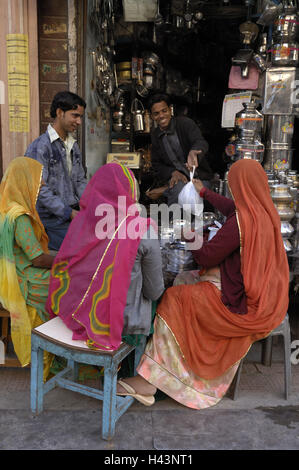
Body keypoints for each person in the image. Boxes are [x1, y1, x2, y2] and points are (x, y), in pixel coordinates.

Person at [117, 159, 289, 408]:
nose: (231, 192)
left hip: (244, 305)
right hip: (269, 298)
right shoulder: (264, 211)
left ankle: (152, 380)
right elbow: (232, 209)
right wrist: (204, 192)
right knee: (185, 280)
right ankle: (170, 366)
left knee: (174, 299)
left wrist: (192, 238)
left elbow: (207, 256)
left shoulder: (241, 223)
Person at [46, 162, 164, 402]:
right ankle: (141, 376)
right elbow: (153, 291)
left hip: (78, 313)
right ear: (131, 193)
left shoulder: (82, 226)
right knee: (164, 302)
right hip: (124, 323)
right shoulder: (143, 231)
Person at [0, 157, 55, 378]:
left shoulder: (5, 207)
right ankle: (54, 347)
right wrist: (69, 261)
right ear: (24, 183)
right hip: (22, 278)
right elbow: (37, 259)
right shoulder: (19, 216)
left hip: (10, 273)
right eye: (36, 183)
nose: (39, 189)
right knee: (67, 283)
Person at [25, 91, 87, 251]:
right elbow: (39, 189)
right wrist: (68, 213)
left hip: (71, 214)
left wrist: (91, 204)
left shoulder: (73, 145)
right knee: (84, 248)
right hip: (51, 220)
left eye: (80, 116)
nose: (79, 121)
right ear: (60, 112)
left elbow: (80, 180)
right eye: (75, 116)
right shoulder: (40, 147)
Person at [146, 93, 213, 205]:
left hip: (199, 178)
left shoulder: (184, 123)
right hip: (179, 180)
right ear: (152, 116)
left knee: (192, 195)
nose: (161, 116)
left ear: (170, 110)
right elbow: (156, 164)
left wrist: (193, 152)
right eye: (156, 114)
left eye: (164, 111)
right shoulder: (155, 135)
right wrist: (173, 172)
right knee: (177, 191)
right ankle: (174, 221)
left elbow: (200, 142)